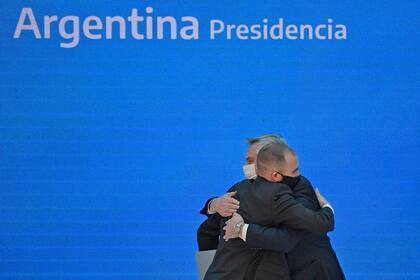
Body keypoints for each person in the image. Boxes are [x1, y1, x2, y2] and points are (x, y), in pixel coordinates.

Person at [203, 142, 335, 280]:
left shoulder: (240, 190)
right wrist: (326, 205)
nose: (251, 166)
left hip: (308, 271)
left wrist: (240, 229)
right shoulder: (271, 193)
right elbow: (206, 231)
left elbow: (289, 237)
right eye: (250, 160)